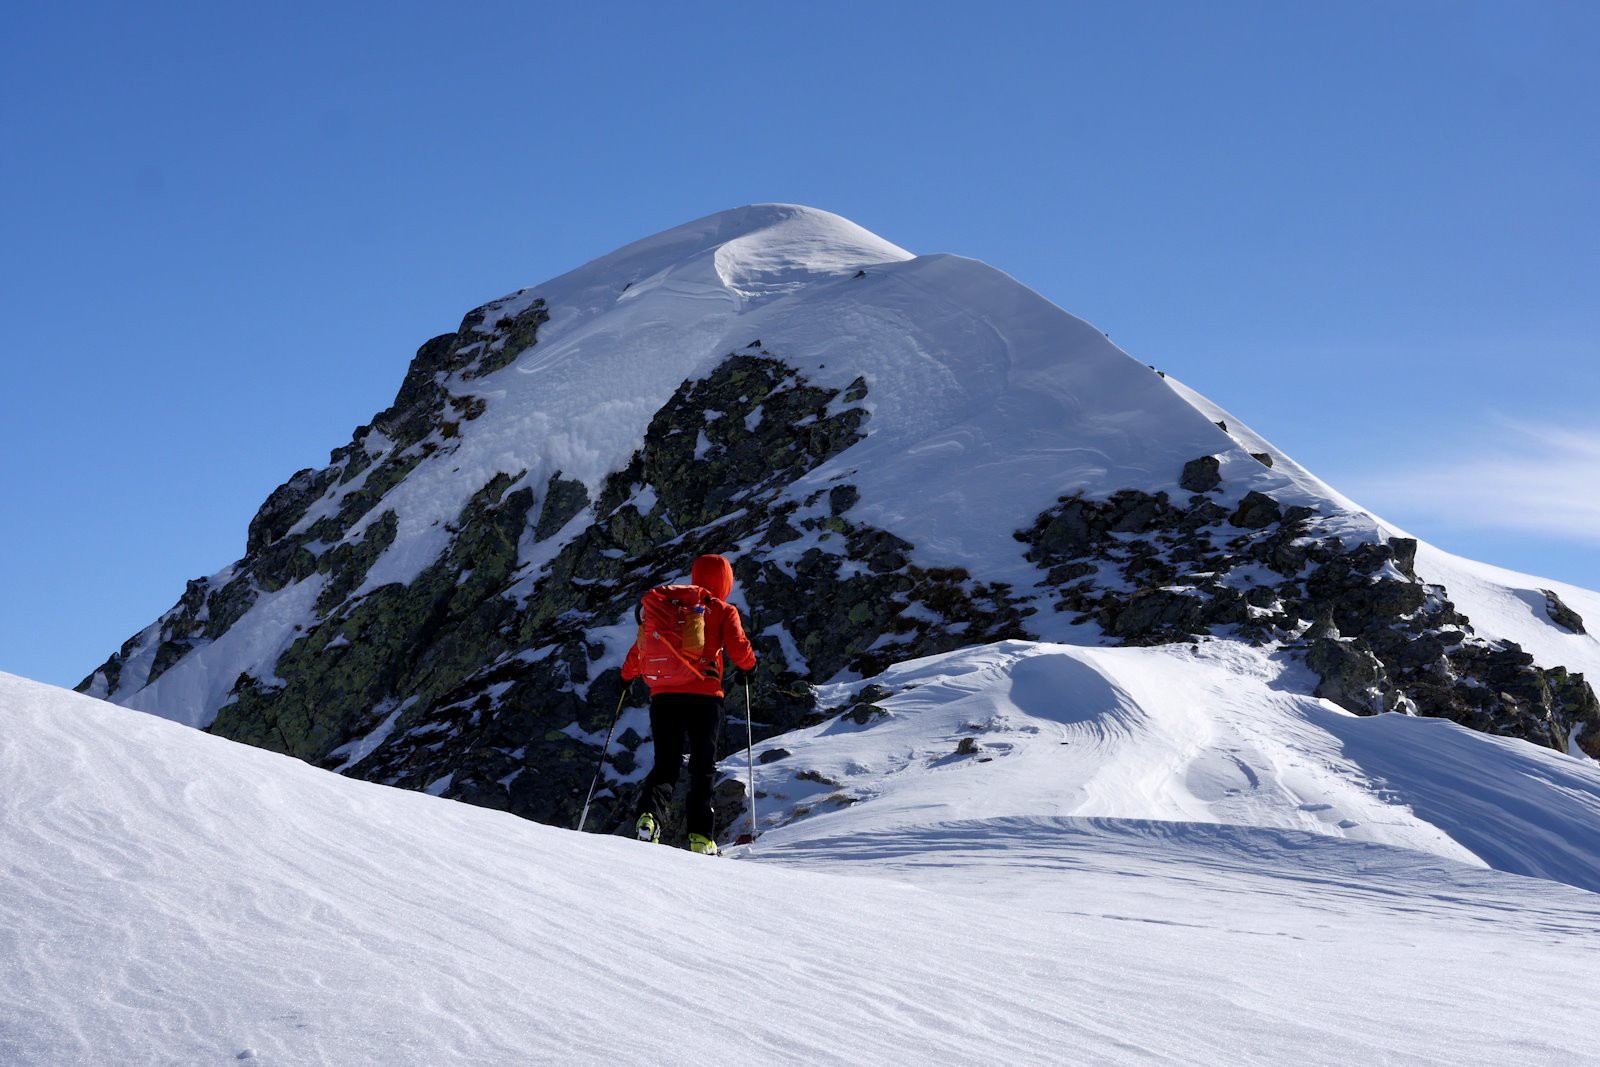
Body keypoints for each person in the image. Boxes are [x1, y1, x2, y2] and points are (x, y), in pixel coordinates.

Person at [621, 553, 757, 855]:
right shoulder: (722, 610)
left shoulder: (666, 608)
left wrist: (626, 677)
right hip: (704, 700)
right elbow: (739, 649)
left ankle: (650, 818)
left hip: (664, 697)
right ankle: (700, 837)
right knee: (702, 768)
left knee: (666, 765)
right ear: (726, 581)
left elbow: (640, 648)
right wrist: (749, 668)